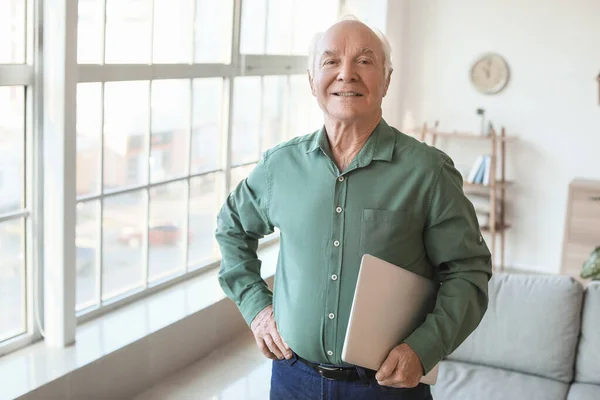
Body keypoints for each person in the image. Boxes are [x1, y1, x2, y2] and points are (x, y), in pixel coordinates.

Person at [216, 16, 492, 400]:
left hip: (386, 387)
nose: (346, 74)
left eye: (364, 61)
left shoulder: (428, 172)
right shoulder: (280, 167)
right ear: (312, 81)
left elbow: (468, 271)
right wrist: (256, 307)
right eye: (330, 62)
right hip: (292, 379)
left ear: (386, 79)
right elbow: (232, 228)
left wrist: (424, 348)